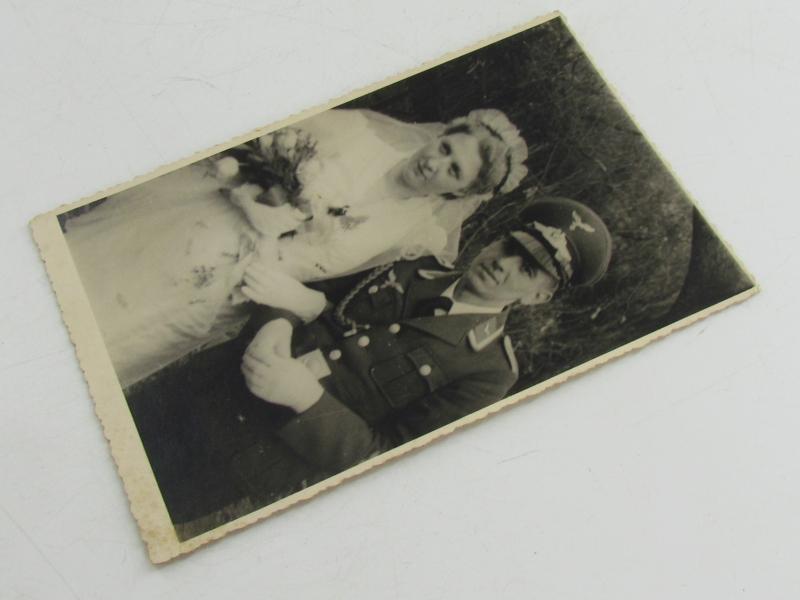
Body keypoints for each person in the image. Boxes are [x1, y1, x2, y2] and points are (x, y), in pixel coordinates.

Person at [125, 197, 613, 534]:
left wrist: (307, 400)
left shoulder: (488, 372)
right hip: (203, 385)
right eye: (510, 246)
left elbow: (386, 461)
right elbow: (307, 290)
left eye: (528, 269)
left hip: (241, 456)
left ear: (538, 295)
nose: (504, 264)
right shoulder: (409, 265)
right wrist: (277, 322)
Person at [63, 108, 528, 388]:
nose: (435, 164)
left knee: (111, 350)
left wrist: (292, 295)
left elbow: (346, 299)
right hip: (195, 236)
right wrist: (254, 200)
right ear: (442, 133)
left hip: (230, 298)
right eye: (447, 149)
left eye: (454, 172)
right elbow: (248, 151)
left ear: (458, 193)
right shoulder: (357, 134)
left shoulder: (415, 239)